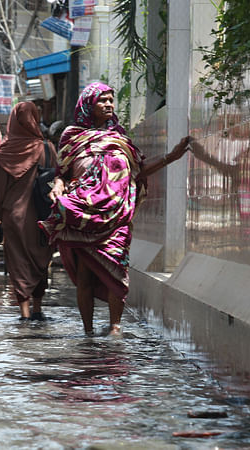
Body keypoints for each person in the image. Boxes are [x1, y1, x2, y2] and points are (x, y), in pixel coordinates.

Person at [38, 82, 191, 336]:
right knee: (86, 274)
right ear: (89, 105)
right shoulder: (71, 136)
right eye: (103, 100)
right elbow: (61, 172)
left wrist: (171, 157)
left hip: (116, 215)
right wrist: (57, 187)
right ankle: (87, 331)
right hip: (84, 214)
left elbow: (138, 170)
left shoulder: (120, 138)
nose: (109, 104)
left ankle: (115, 327)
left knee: (117, 270)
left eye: (111, 100)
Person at [0, 102, 57, 321]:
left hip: (13, 217)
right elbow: (57, 180)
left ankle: (24, 313)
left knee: (18, 264)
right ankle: (38, 308)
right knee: (40, 261)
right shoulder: (46, 148)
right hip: (40, 216)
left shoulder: (4, 153)